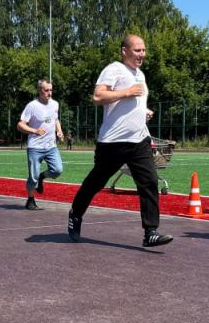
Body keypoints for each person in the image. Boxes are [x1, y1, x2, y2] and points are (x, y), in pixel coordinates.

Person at [67, 34, 173, 248]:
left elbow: (132, 103)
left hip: (139, 140)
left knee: (149, 181)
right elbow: (98, 97)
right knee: (96, 182)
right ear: (124, 51)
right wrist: (127, 92)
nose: (142, 54)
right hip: (112, 142)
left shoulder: (140, 75)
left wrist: (143, 111)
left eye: (143, 50)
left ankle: (150, 232)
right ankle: (76, 213)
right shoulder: (114, 69)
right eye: (137, 50)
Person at [17, 80, 64, 210]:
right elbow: (20, 124)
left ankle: (42, 176)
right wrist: (34, 131)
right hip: (35, 147)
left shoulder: (55, 104)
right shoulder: (32, 106)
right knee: (33, 177)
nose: (49, 93)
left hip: (51, 146)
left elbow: (55, 119)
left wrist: (59, 131)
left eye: (51, 90)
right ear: (39, 91)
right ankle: (30, 200)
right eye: (46, 90)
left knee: (57, 170)